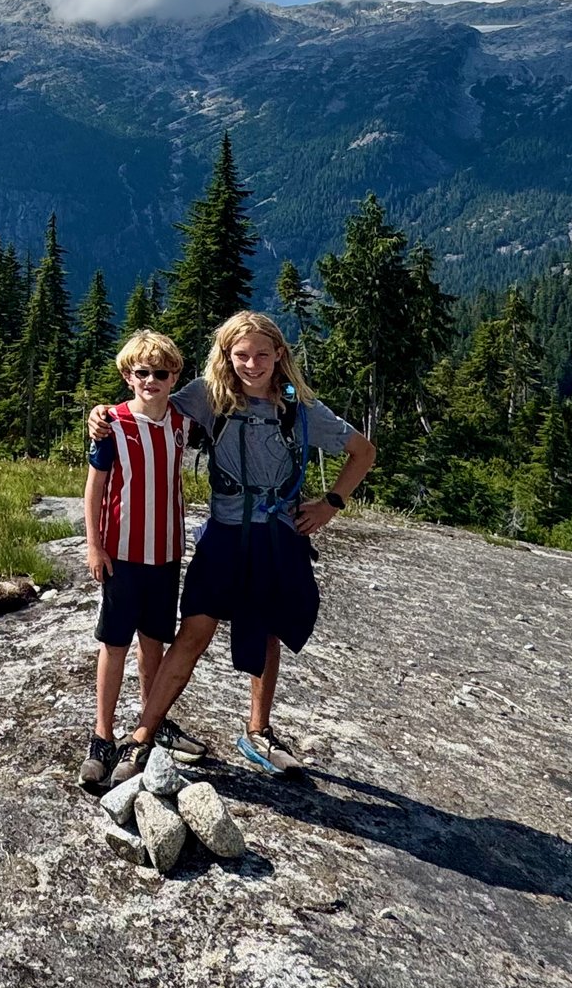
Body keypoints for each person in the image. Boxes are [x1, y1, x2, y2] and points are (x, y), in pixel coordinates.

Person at [89, 309, 374, 779]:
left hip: (277, 535)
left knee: (266, 630)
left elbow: (363, 451)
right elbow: (148, 403)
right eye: (241, 354)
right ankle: (144, 734)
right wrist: (102, 416)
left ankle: (258, 731)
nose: (252, 364)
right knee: (194, 631)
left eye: (262, 354)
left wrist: (330, 504)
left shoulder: (299, 408)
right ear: (227, 355)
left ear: (279, 355)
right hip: (224, 534)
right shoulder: (207, 396)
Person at [78, 330, 198, 788]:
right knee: (114, 644)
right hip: (123, 555)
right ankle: (102, 736)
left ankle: (152, 725)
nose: (151, 380)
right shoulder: (112, 424)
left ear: (174, 378)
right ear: (128, 376)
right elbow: (96, 487)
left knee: (155, 644)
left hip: (165, 555)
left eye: (161, 373)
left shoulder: (182, 422)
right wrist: (94, 544)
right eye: (142, 372)